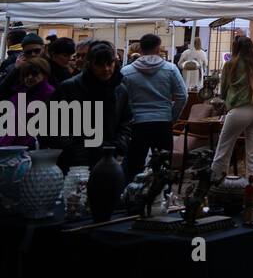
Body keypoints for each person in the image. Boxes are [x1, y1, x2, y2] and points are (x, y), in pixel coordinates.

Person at [51, 40, 132, 173]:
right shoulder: (69, 87)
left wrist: (118, 145)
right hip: (76, 160)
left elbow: (126, 121)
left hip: (109, 156)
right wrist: (73, 148)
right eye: (100, 65)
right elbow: (55, 124)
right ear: (90, 64)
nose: (106, 69)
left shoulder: (120, 89)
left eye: (109, 63)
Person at [211, 36, 253, 196]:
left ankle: (215, 186)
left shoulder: (230, 64)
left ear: (235, 48)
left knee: (223, 151)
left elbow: (224, 91)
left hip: (238, 110)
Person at [119, 33, 188, 180]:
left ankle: (131, 192)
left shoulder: (126, 72)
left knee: (133, 167)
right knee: (163, 169)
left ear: (141, 49)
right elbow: (182, 96)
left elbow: (120, 99)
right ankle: (162, 193)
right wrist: (172, 117)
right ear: (158, 49)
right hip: (163, 122)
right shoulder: (170, 69)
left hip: (137, 124)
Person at [0, 57, 57, 147]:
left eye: (34, 73)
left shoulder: (50, 95)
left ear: (44, 75)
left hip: (32, 146)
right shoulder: (20, 93)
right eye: (26, 74)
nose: (29, 77)